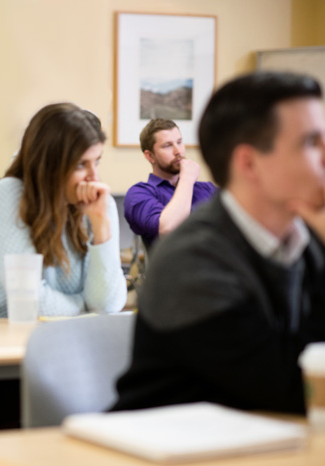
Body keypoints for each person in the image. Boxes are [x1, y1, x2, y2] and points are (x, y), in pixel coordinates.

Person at [113, 71, 325, 415]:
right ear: (249, 163)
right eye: (309, 143)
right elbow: (292, 389)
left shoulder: (306, 239)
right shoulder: (193, 260)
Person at [0, 103, 128, 432]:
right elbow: (34, 303)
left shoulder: (98, 206)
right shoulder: (10, 195)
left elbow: (110, 304)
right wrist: (87, 308)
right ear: (51, 163)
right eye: (81, 165)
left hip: (66, 360)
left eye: (97, 162)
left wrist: (101, 224)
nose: (94, 177)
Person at [123, 119, 218, 248]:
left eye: (179, 142)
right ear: (150, 156)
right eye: (167, 145)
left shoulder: (207, 189)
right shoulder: (139, 193)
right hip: (178, 266)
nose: (178, 151)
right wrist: (187, 179)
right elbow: (168, 229)